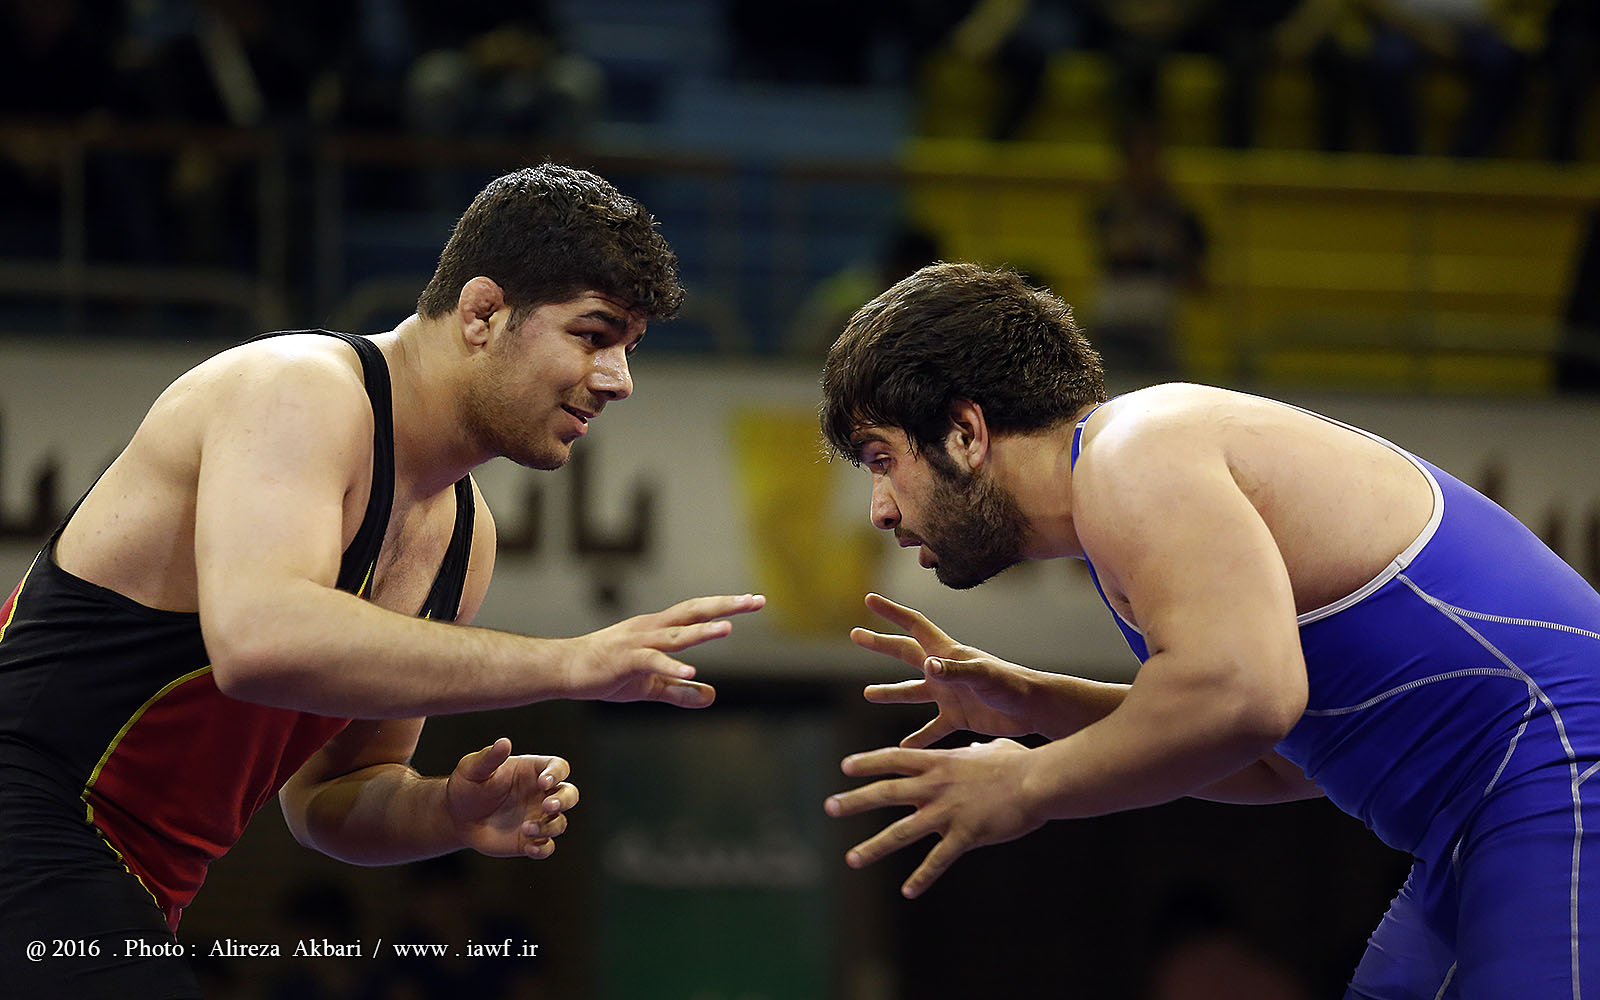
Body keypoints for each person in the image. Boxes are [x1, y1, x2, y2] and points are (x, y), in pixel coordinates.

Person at [0, 162, 765, 999]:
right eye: (593, 335)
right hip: (31, 813)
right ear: (482, 313)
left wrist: (449, 813)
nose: (619, 379)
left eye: (629, 347)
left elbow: (328, 797)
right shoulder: (298, 388)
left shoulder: (464, 537)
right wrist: (572, 662)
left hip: (114, 879)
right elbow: (259, 642)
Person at [818, 262, 1600, 996]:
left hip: (1563, 771)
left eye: (882, 459)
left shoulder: (1136, 453)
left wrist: (1025, 785)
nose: (880, 509)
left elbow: (1247, 699)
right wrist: (1035, 704)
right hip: (1496, 811)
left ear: (965, 431)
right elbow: (1273, 762)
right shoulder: (1124, 499)